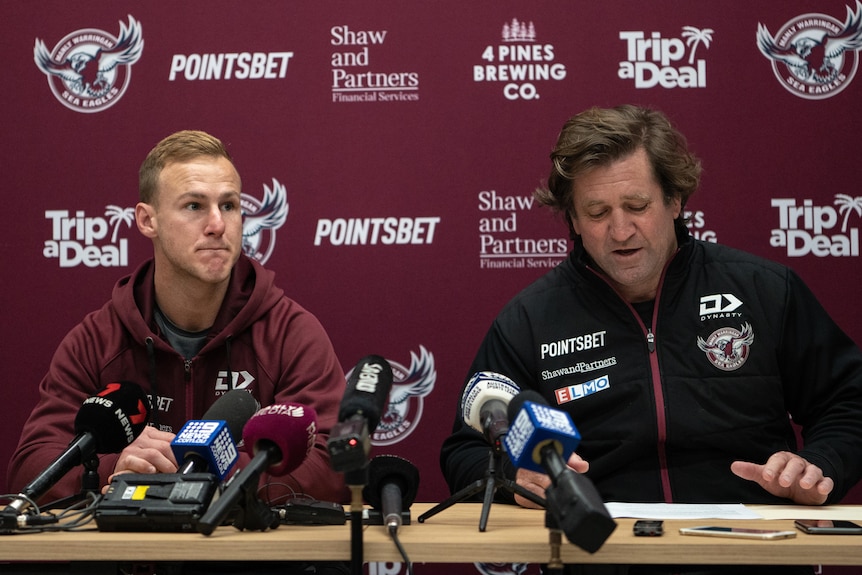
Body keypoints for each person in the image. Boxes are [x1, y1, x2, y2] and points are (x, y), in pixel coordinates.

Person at [440, 105, 862, 574]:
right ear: (573, 221)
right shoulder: (530, 319)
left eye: (637, 207)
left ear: (675, 200)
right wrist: (515, 480)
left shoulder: (765, 290)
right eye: (597, 212)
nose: (620, 231)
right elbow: (467, 450)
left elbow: (849, 402)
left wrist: (819, 464)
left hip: (754, 554)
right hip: (602, 557)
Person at [7, 130, 349, 573]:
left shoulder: (289, 332)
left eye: (229, 205)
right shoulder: (98, 338)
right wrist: (113, 472)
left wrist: (207, 479)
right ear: (147, 220)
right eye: (194, 206)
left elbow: (332, 463)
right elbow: (30, 468)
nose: (217, 224)